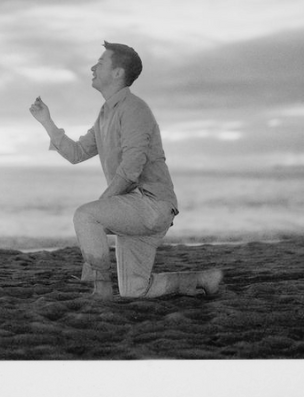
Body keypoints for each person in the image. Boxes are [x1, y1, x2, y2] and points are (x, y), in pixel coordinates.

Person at [29, 42, 223, 300]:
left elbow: (132, 168)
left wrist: (101, 207)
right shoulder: (105, 115)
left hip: (151, 203)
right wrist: (46, 121)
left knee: (86, 216)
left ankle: (101, 290)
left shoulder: (134, 109)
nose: (92, 67)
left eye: (100, 63)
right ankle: (200, 280)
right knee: (134, 290)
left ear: (118, 73)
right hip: (135, 208)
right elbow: (76, 153)